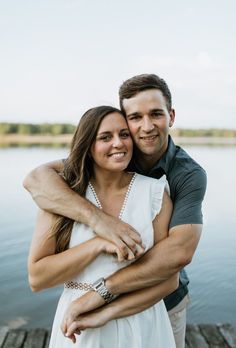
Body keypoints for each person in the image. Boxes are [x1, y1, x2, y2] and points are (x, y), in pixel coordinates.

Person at [24, 74, 207, 348]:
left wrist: (101, 299)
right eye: (134, 118)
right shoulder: (83, 178)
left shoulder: (179, 179)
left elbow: (178, 255)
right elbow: (35, 178)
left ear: (170, 116)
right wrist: (101, 226)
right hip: (81, 317)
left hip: (158, 304)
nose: (146, 127)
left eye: (156, 114)